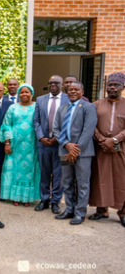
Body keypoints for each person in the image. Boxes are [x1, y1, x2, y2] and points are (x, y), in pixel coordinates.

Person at [53, 81, 97, 225]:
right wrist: (66, 145)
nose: (72, 92)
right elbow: (56, 130)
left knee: (83, 184)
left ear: (82, 92)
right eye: (70, 90)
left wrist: (76, 149)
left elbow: (88, 130)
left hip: (83, 153)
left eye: (76, 90)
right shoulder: (62, 108)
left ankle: (80, 213)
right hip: (64, 151)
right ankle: (69, 209)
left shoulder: (89, 107)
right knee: (67, 182)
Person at [89, 72, 125, 227]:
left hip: (120, 148)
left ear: (123, 87)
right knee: (100, 178)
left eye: (116, 85)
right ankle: (101, 210)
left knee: (121, 180)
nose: (112, 87)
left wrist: (114, 139)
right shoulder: (97, 104)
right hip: (100, 147)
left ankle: (122, 213)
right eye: (109, 85)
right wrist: (102, 139)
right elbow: (91, 124)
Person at [0, 84, 40, 206]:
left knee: (29, 170)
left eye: (27, 92)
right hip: (15, 145)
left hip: (31, 145)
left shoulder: (37, 107)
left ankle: (27, 198)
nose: (24, 94)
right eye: (21, 92)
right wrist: (7, 142)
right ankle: (14, 196)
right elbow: (7, 125)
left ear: (31, 93)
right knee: (14, 169)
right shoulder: (13, 107)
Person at [33, 75, 68, 214]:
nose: (53, 85)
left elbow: (69, 122)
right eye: (50, 83)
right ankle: (45, 199)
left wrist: (57, 138)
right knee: (44, 172)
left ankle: (56, 201)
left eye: (56, 83)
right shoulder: (40, 99)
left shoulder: (67, 99)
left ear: (63, 84)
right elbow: (36, 121)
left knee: (59, 174)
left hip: (60, 144)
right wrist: (41, 137)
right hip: (43, 143)